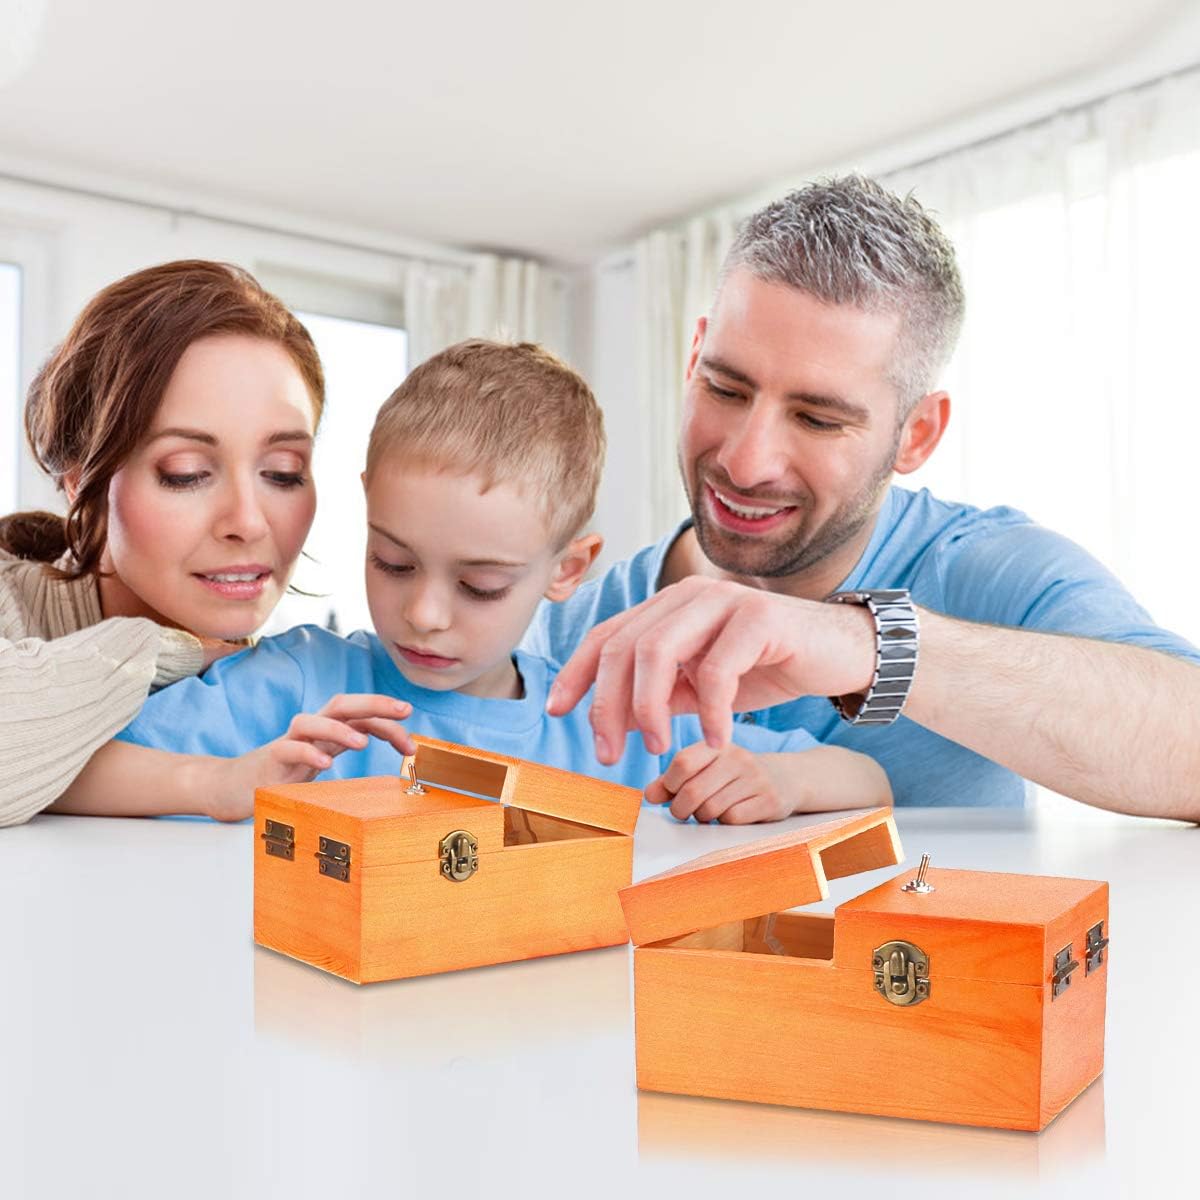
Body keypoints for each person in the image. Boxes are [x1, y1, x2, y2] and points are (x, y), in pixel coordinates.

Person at [534, 175, 1200, 821]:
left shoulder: (991, 572)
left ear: (916, 434)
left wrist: (872, 646)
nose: (744, 459)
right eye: (725, 389)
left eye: (818, 420)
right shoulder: (570, 628)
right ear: (693, 358)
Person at [62, 340, 891, 822]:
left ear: (568, 570)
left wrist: (780, 781)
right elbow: (60, 772)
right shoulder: (300, 690)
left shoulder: (621, 725)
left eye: (482, 585)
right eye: (392, 562)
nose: (423, 614)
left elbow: (872, 784)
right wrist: (216, 781)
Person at [0, 259, 354, 828]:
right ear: (80, 484)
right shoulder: (9, 605)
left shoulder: (292, 685)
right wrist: (169, 650)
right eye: (187, 472)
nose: (249, 522)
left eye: (284, 472)